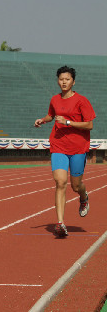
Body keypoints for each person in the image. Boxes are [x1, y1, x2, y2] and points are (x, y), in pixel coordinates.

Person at [34, 65, 96, 237]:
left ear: (73, 82)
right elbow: (51, 115)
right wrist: (43, 120)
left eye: (67, 79)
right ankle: (60, 223)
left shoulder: (81, 101)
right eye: (61, 79)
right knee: (60, 182)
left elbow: (89, 124)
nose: (64, 82)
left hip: (78, 148)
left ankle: (83, 196)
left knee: (76, 185)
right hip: (59, 145)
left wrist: (68, 122)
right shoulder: (55, 99)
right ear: (58, 81)